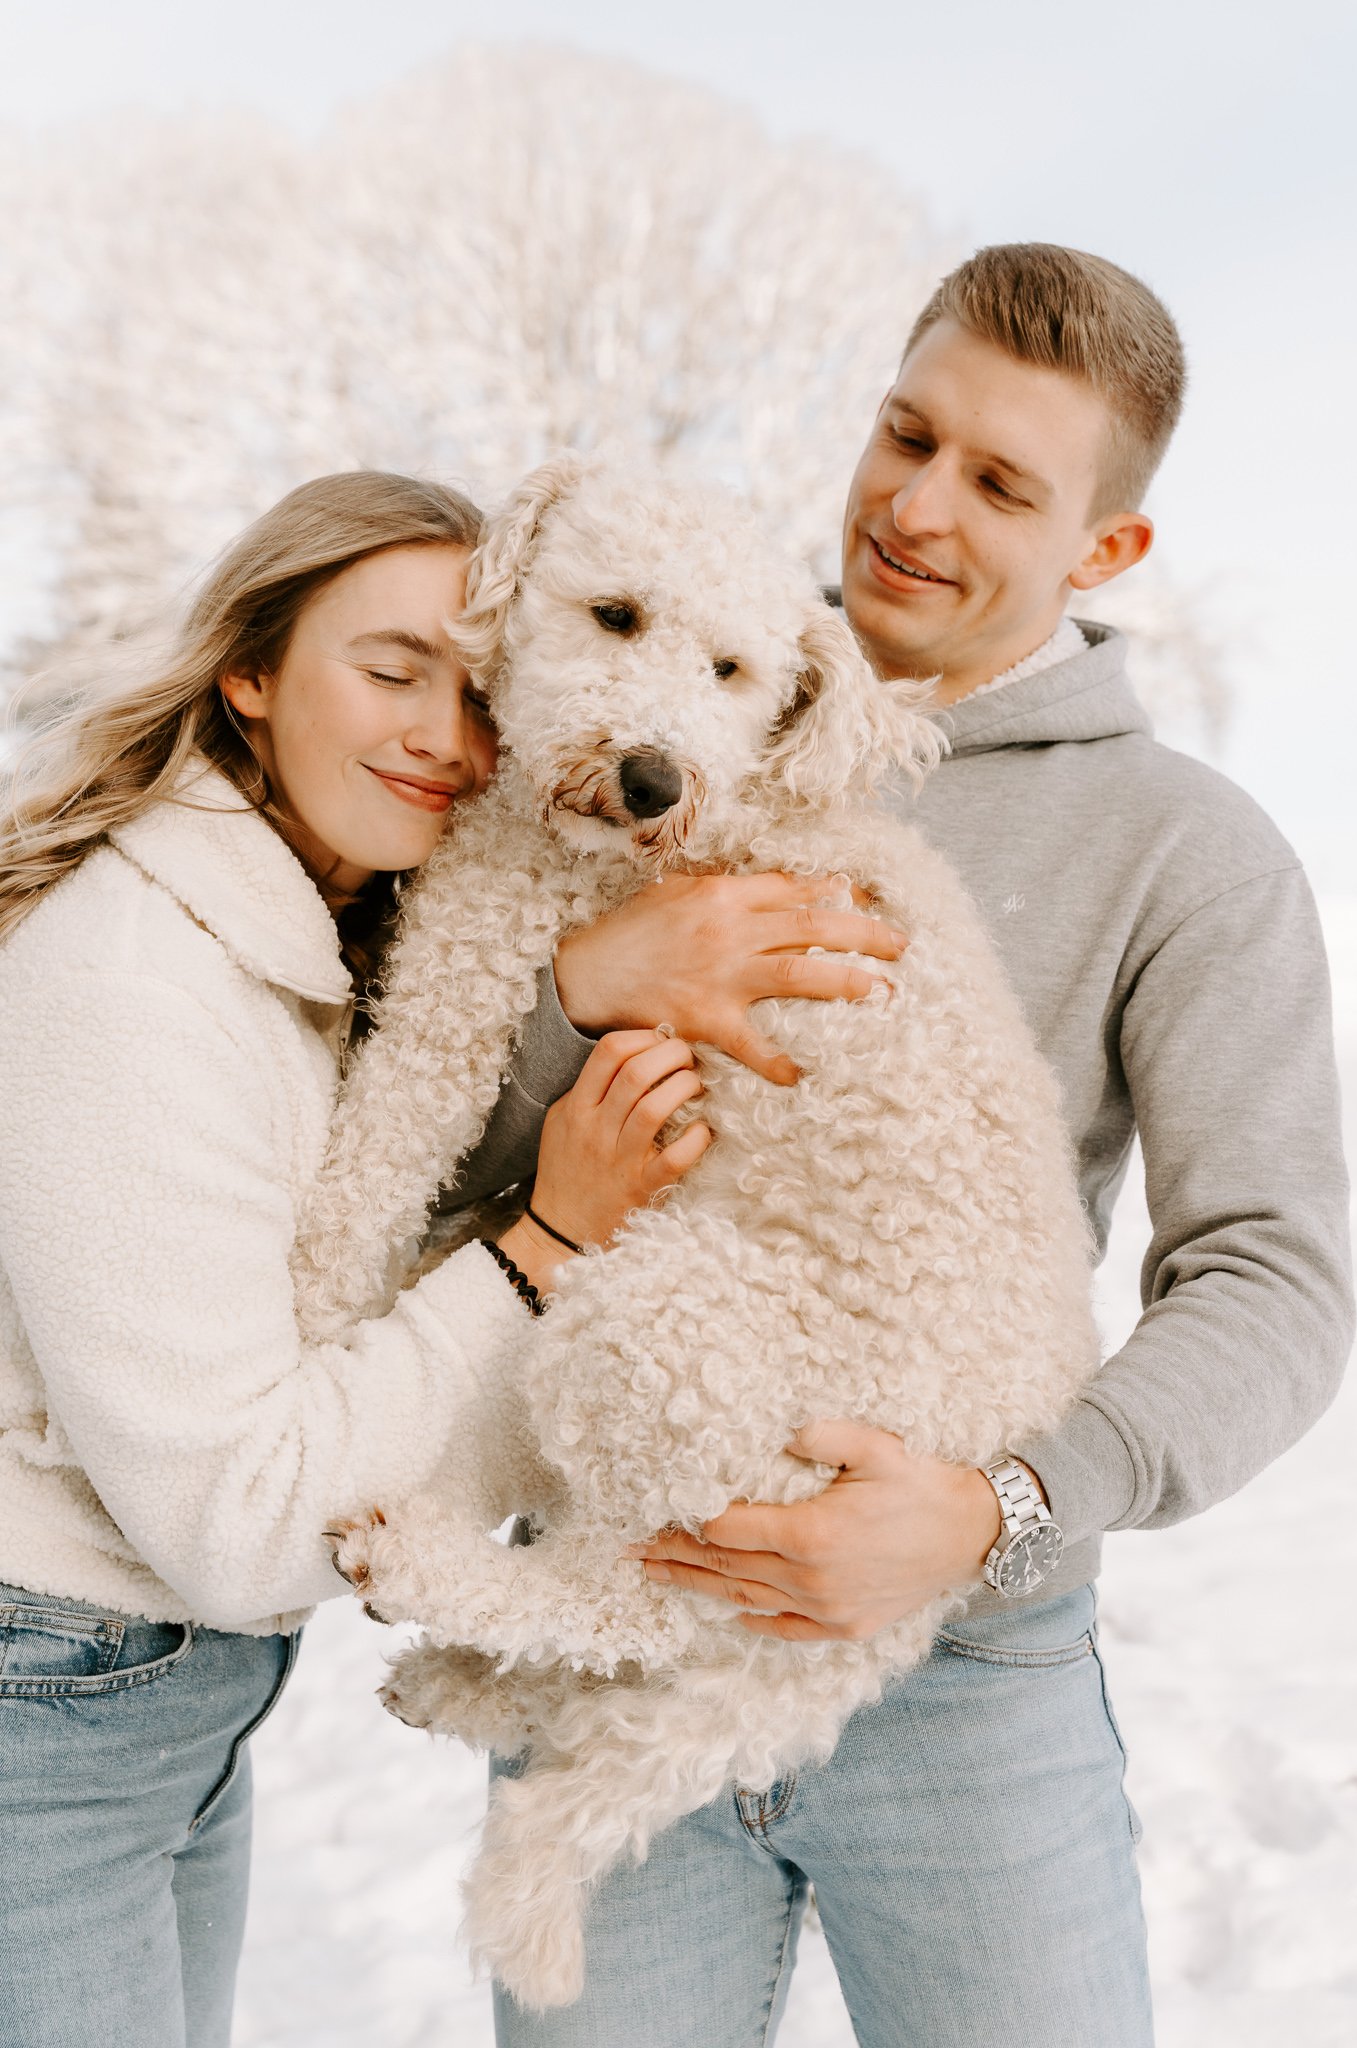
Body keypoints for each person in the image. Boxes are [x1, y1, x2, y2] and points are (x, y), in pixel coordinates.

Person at [500, 246, 1355, 2045]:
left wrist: (994, 1513)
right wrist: (586, 991)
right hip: (620, 1603)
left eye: (999, 484)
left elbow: (1273, 1277)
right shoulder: (649, 700)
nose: (913, 507)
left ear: (1104, 549)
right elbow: (456, 1151)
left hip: (965, 1683)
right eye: (906, 436)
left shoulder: (1184, 851)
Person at [0, 470, 905, 2048]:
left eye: (478, 690)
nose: (448, 737)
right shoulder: (134, 984)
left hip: (154, 1699)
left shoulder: (303, 934)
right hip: (49, 1702)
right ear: (251, 671)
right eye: (389, 670)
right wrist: (547, 1242)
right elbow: (243, 1522)